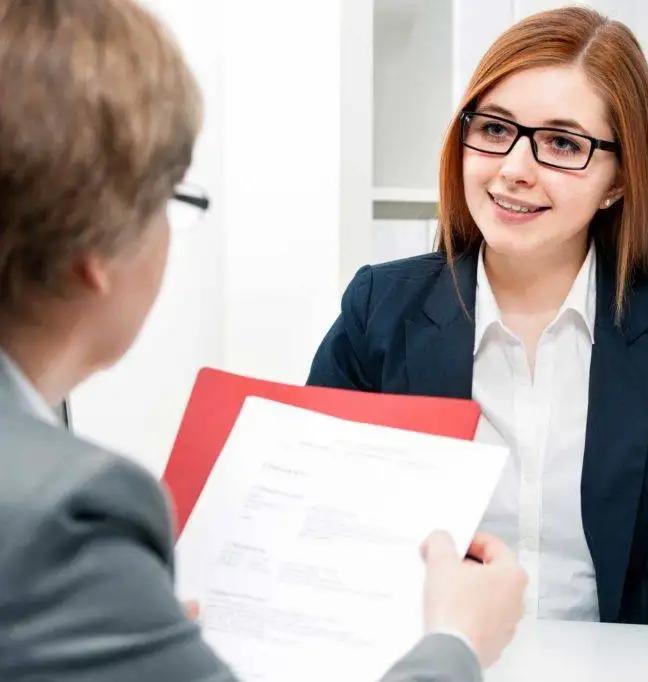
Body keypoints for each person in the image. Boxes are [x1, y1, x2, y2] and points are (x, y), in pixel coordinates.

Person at [0, 1, 525, 680]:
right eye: (170, 200)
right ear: (94, 250)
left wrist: (133, 636)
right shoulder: (72, 512)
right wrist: (456, 640)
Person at [307, 6, 648, 628]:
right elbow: (320, 543)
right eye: (493, 129)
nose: (513, 168)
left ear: (619, 180)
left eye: (562, 143)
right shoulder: (379, 311)